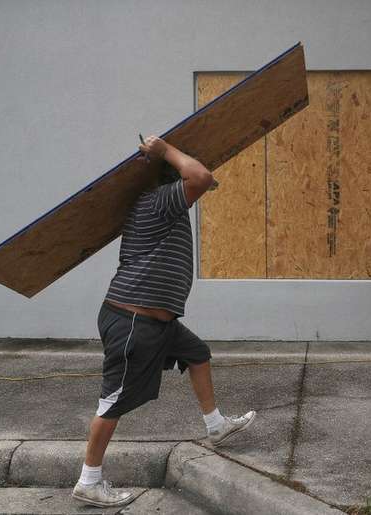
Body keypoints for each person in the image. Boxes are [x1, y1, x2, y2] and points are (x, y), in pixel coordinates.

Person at [72, 136, 256, 508]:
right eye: (183, 167)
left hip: (158, 322)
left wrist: (194, 175)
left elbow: (200, 179)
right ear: (172, 175)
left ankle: (215, 426)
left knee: (197, 354)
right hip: (133, 321)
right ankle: (89, 479)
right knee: (114, 401)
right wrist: (165, 150)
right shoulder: (157, 200)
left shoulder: (163, 204)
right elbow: (201, 177)